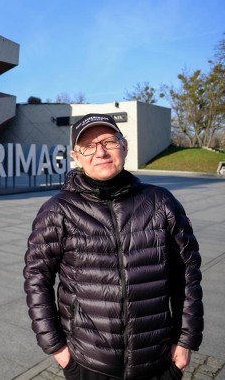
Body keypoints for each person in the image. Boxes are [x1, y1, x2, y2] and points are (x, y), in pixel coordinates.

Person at [23, 113, 203, 379]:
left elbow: (187, 274)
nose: (100, 152)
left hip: (158, 359)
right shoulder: (57, 211)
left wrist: (186, 340)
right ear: (76, 155)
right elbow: (37, 279)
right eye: (88, 146)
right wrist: (56, 347)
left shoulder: (160, 202)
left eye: (109, 141)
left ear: (124, 146)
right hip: (88, 362)